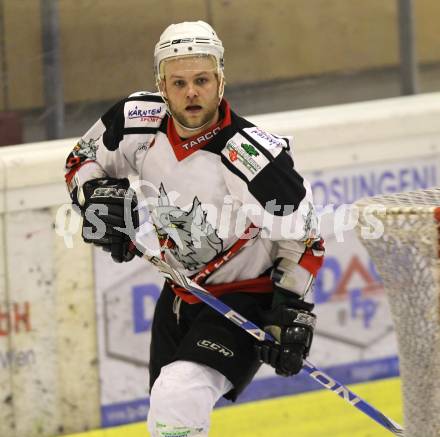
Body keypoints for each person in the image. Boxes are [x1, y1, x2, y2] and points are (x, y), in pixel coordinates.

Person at [65, 20, 324, 437]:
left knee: (177, 395)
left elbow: (304, 236)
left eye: (202, 80)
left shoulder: (253, 156)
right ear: (161, 85)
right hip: (180, 295)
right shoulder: (136, 120)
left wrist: (290, 308)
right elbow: (81, 161)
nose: (191, 93)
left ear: (221, 80)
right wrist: (95, 197)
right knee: (168, 414)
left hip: (243, 300)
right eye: (179, 82)